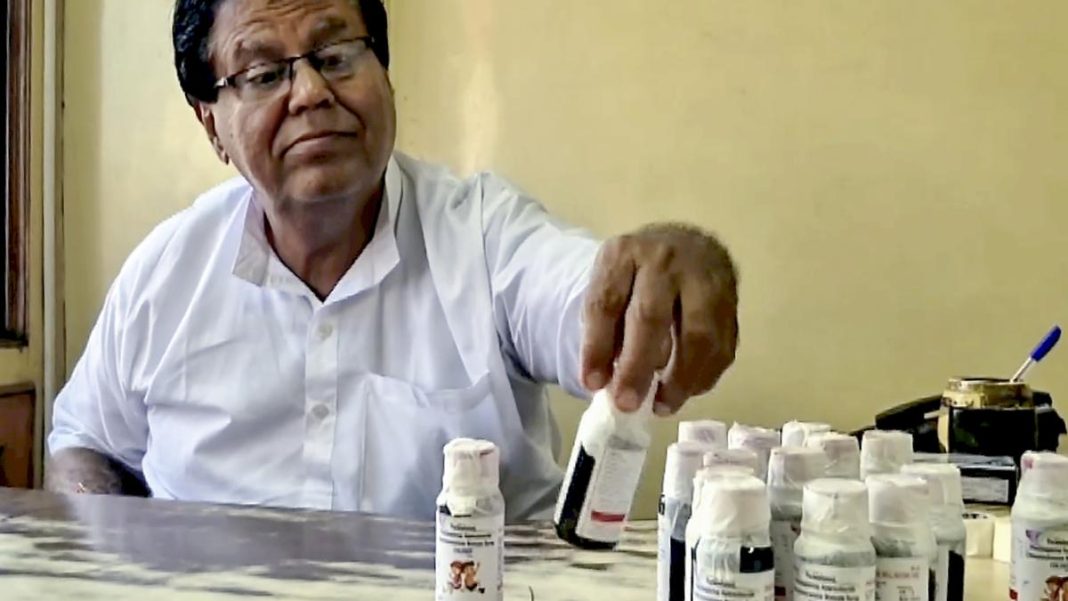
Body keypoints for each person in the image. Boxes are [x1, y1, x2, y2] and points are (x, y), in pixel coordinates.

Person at [46, 0, 739, 522]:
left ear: (386, 74)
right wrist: (121, 553)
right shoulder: (166, 272)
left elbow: (593, 300)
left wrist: (671, 271)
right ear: (212, 126)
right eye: (263, 73)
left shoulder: (484, 236)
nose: (312, 92)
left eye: (338, 54)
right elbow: (82, 441)